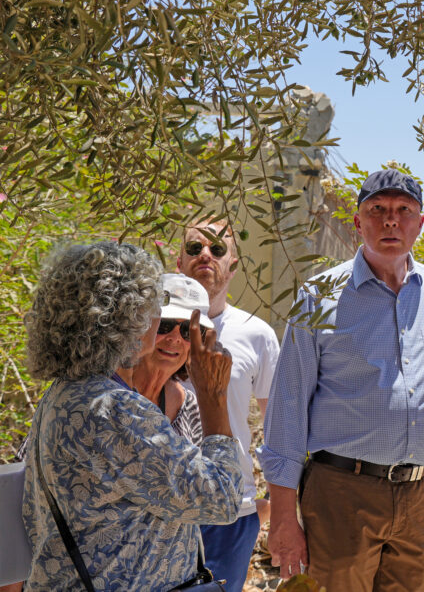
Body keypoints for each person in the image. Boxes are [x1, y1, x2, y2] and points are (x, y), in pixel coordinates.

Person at [261, 169, 424, 591]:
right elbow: (287, 406)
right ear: (358, 222)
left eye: (403, 210)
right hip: (341, 495)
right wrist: (283, 515)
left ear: (420, 223)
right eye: (377, 210)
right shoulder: (319, 298)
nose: (391, 220)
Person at [21, 241, 242, 591]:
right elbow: (222, 498)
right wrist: (213, 395)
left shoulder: (65, 394)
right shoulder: (115, 410)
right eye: (155, 312)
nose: (159, 326)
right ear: (124, 319)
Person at [176, 220, 281, 592]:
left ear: (232, 266)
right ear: (179, 262)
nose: (206, 254)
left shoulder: (258, 334)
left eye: (218, 249)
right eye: (195, 248)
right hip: (162, 505)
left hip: (231, 512)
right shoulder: (154, 328)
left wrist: (273, 500)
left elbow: (277, 425)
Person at [116, 273, 215, 444]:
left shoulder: (190, 406)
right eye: (165, 325)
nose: (175, 338)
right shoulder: (109, 389)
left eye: (187, 331)